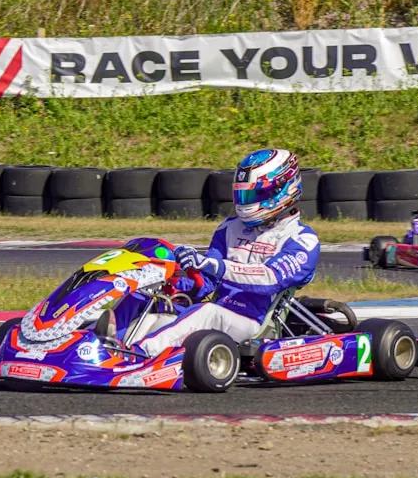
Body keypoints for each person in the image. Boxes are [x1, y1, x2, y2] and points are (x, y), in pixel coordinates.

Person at [133, 148, 321, 357]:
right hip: (217, 310)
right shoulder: (230, 228)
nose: (246, 201)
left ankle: (139, 356)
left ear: (281, 189)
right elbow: (207, 280)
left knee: (206, 313)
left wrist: (217, 266)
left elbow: (269, 279)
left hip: (253, 322)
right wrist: (175, 279)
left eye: (253, 194)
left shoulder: (303, 240)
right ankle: (111, 348)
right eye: (243, 194)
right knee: (149, 306)